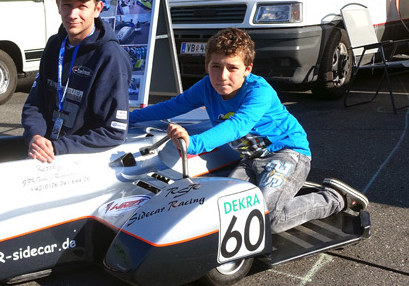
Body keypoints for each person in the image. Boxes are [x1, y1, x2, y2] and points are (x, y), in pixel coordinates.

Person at [129, 27, 368, 234]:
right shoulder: (205, 86)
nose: (222, 76)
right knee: (225, 209)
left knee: (268, 218)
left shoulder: (259, 91)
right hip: (250, 159)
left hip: (287, 154)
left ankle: (334, 198)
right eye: (216, 66)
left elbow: (237, 125)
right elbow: (171, 107)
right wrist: (125, 119)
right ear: (207, 66)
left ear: (247, 69)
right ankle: (284, 189)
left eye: (232, 68)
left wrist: (193, 143)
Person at [22, 0, 132, 163]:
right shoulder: (54, 45)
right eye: (67, 5)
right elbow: (34, 104)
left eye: (82, 6)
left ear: (98, 9)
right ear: (58, 6)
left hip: (80, 161)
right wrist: (35, 136)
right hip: (46, 153)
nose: (73, 14)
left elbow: (112, 132)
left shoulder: (110, 57)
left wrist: (58, 147)